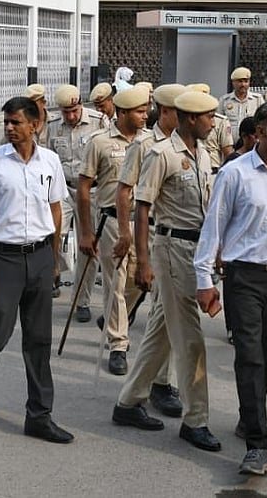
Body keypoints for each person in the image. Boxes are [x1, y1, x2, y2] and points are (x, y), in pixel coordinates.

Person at [194, 101, 267, 476]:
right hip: (245, 276)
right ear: (260, 133)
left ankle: (250, 418)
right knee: (249, 355)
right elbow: (214, 227)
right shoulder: (235, 174)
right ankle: (256, 443)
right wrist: (204, 279)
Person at [0, 96, 74, 444]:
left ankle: (39, 415)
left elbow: (56, 210)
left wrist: (53, 259)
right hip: (3, 260)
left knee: (39, 341)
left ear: (35, 125)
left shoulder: (49, 161)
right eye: (7, 122)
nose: (9, 128)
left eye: (16, 122)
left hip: (39, 258)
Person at [112, 90, 221, 454]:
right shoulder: (161, 153)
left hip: (195, 249)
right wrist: (143, 262)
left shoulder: (202, 153)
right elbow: (142, 209)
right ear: (190, 118)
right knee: (191, 340)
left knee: (160, 334)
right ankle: (196, 420)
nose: (213, 122)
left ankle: (128, 402)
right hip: (171, 248)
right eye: (208, 116)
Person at [111, 83, 186, 418]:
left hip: (182, 241)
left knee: (164, 316)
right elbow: (125, 191)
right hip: (153, 236)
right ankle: (153, 385)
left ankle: (154, 383)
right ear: (167, 111)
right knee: (163, 315)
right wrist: (126, 235)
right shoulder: (145, 145)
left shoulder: (188, 143)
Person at [78, 86, 151, 376]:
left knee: (139, 283)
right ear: (122, 112)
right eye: (139, 111)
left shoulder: (151, 141)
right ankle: (119, 343)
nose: (145, 116)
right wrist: (85, 232)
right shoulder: (99, 142)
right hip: (111, 221)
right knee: (115, 284)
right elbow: (84, 188)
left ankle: (114, 317)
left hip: (143, 221)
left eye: (146, 110)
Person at [45, 84, 109, 320]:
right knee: (52, 235)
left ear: (81, 104)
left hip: (91, 192)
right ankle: (54, 273)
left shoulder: (99, 121)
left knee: (88, 245)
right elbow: (48, 159)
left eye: (74, 110)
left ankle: (81, 300)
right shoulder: (53, 127)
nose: (71, 116)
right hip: (62, 191)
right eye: (66, 112)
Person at [187, 83, 234, 170]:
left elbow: (228, 151)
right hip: (189, 167)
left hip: (212, 168)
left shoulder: (220, 121)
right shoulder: (185, 120)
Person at [217, 67, 264, 141]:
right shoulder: (224, 100)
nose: (243, 84)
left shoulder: (257, 99)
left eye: (246, 81)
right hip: (229, 143)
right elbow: (219, 123)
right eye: (240, 81)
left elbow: (262, 121)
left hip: (251, 143)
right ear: (233, 82)